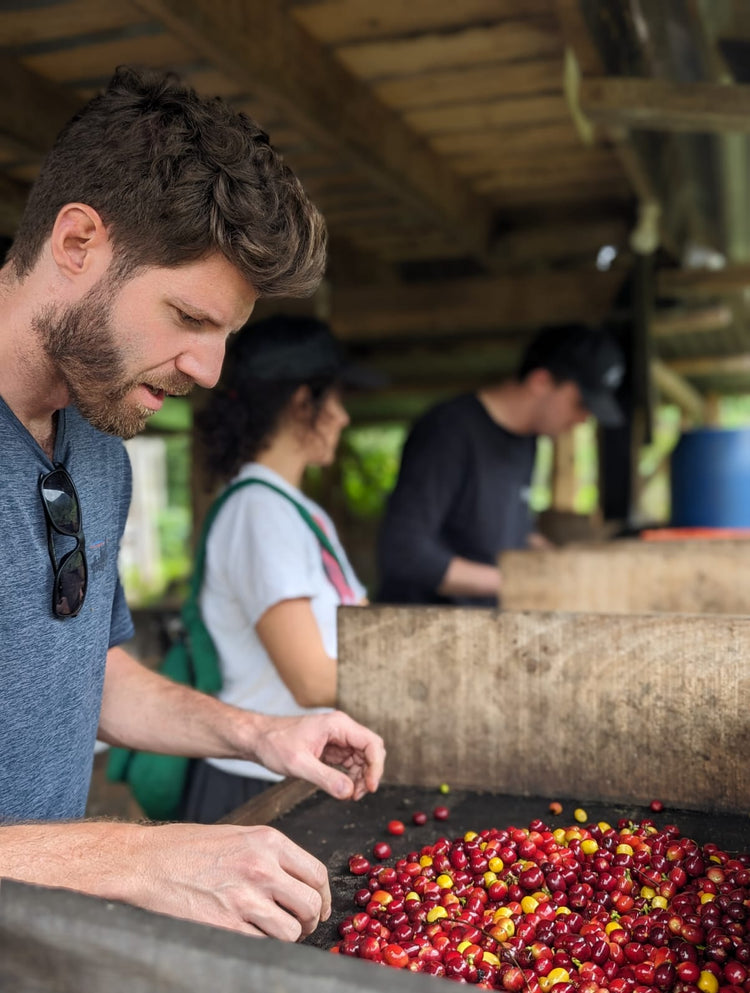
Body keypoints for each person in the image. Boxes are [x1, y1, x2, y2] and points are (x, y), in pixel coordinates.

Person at [0, 66, 385, 942]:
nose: (210, 372)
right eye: (187, 316)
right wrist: (142, 855)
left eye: (225, 337)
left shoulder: (98, 445)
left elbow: (83, 673)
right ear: (77, 243)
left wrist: (258, 734)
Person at [181, 314, 374, 823]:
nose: (343, 417)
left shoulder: (298, 511)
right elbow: (310, 679)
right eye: (335, 400)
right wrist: (427, 678)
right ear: (302, 403)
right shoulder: (258, 511)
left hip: (295, 770)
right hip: (252, 783)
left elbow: (364, 632)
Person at [376, 323, 626, 606]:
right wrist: (514, 583)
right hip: (421, 627)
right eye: (581, 404)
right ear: (541, 381)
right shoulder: (449, 431)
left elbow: (505, 529)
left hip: (483, 626)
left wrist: (559, 564)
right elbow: (403, 550)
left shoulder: (528, 440)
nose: (583, 419)